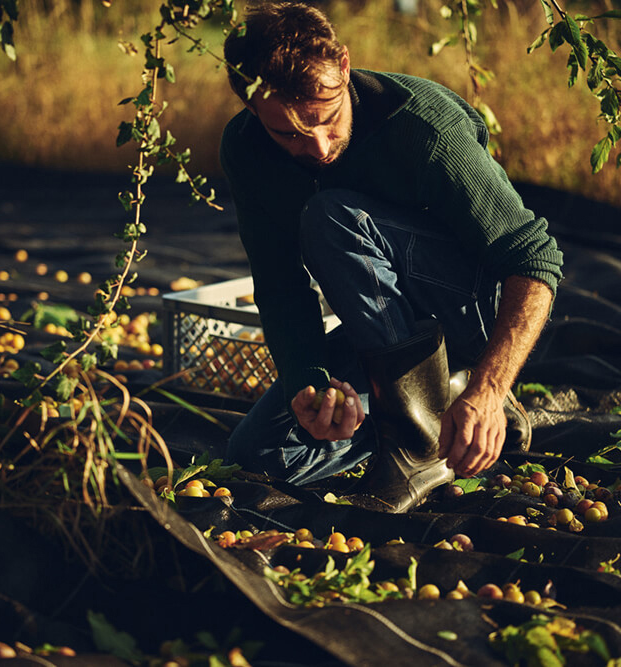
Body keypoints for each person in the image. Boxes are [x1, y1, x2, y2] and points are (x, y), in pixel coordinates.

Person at [218, 2, 564, 511]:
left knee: (329, 216)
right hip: (390, 333)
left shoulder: (423, 128)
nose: (316, 146)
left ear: (343, 67)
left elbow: (534, 261)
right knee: (262, 455)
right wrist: (311, 386)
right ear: (251, 108)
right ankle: (436, 403)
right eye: (288, 133)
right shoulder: (246, 149)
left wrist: (489, 389)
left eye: (327, 120)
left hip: (473, 313)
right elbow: (280, 285)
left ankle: (422, 442)